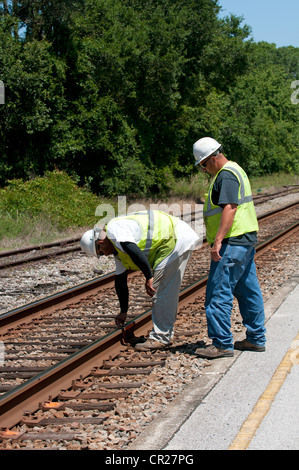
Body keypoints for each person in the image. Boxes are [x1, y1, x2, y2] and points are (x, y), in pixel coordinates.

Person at [80, 210, 199, 350]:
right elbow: (121, 281)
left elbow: (133, 249)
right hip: (170, 241)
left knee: (159, 290)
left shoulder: (114, 229)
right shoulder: (117, 250)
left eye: (100, 253)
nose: (104, 255)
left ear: (101, 243)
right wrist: (123, 311)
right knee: (161, 290)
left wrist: (149, 276)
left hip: (174, 238)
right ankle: (163, 334)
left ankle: (161, 338)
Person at [193, 137, 266, 359]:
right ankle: (256, 339)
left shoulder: (225, 175)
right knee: (248, 291)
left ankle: (222, 344)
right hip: (244, 241)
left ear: (214, 158)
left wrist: (218, 241)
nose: (204, 169)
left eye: (204, 164)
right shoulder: (236, 170)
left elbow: (230, 208)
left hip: (231, 243)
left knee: (218, 292)